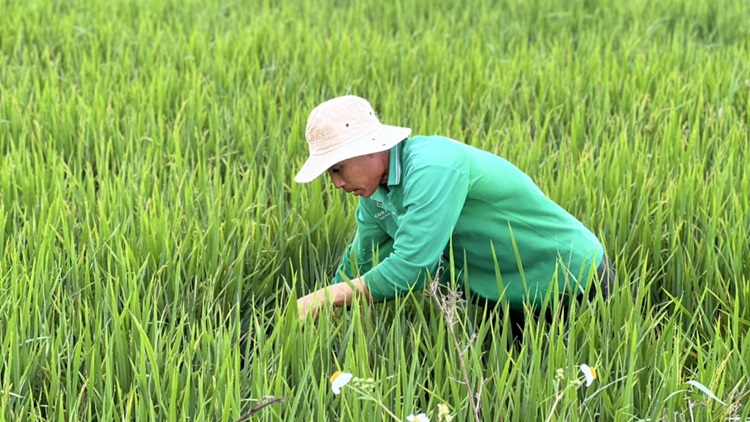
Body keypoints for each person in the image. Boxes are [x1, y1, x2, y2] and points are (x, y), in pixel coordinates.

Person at [294, 95, 614, 326]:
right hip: (506, 297)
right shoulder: (375, 193)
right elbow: (362, 256)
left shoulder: (433, 167)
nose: (336, 183)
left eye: (338, 169)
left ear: (369, 149)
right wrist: (319, 314)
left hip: (571, 281)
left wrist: (327, 296)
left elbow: (412, 268)